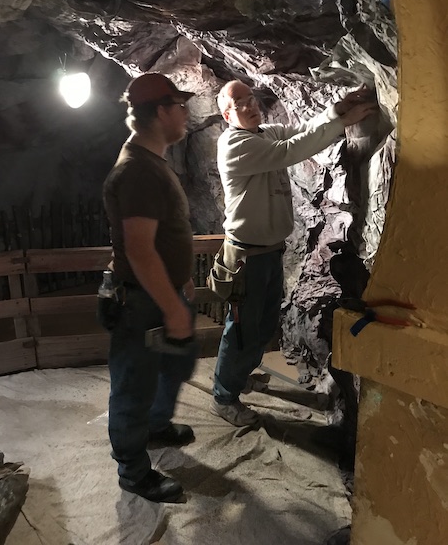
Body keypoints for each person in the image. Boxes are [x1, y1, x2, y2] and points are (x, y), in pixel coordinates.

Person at [211, 79, 377, 427]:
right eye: (240, 102)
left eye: (251, 98)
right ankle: (224, 396)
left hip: (268, 252)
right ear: (227, 115)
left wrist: (336, 110)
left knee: (263, 324)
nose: (251, 105)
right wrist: (341, 123)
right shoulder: (235, 145)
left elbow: (299, 130)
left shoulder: (262, 133)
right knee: (241, 329)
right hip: (246, 256)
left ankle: (239, 379)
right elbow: (292, 151)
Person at [102, 72, 197, 503]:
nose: (186, 114)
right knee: (133, 386)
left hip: (159, 294)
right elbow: (140, 250)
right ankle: (134, 472)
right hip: (141, 302)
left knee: (175, 365)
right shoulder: (139, 171)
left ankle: (157, 427)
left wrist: (181, 280)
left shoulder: (152, 162)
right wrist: (172, 308)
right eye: (180, 106)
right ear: (161, 111)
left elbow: (161, 237)